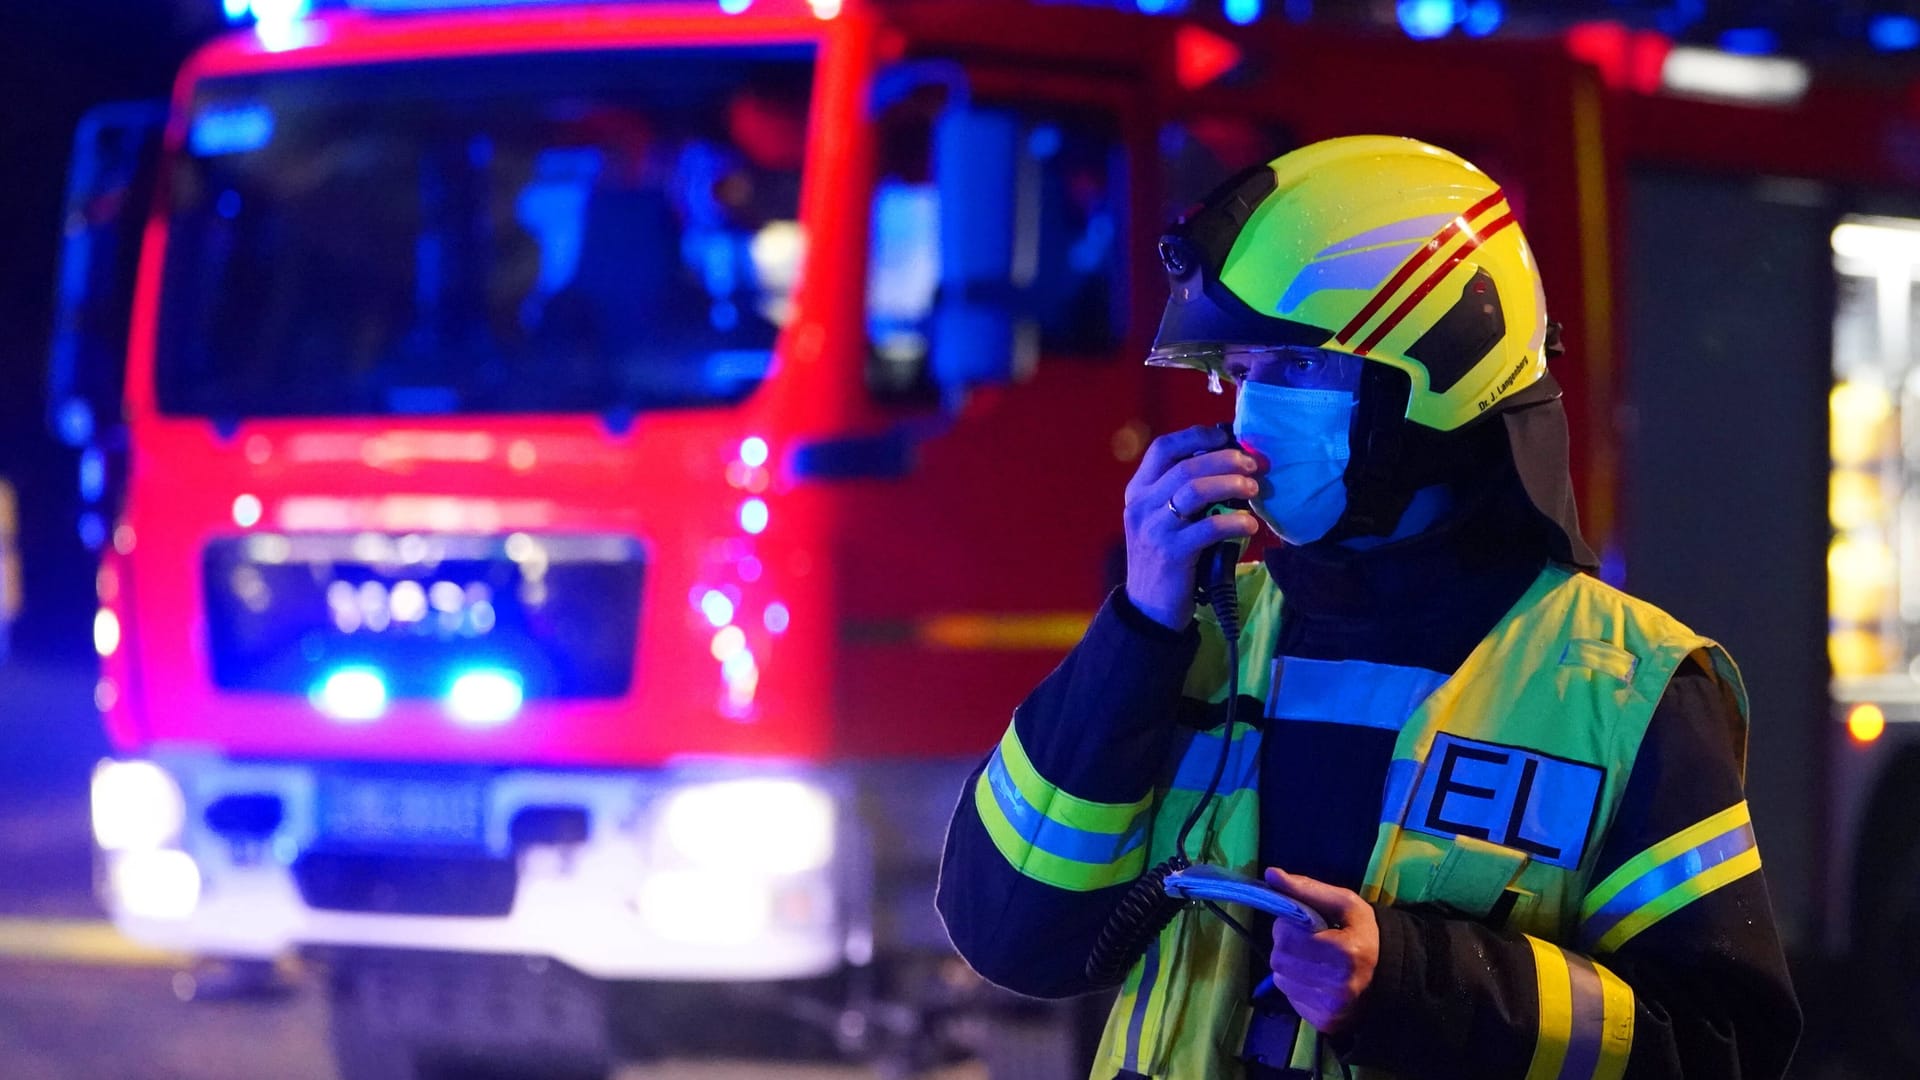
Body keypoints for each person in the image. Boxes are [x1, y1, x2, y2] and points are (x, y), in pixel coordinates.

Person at [936, 136, 1801, 1080]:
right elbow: (1007, 934)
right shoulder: (1206, 637)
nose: (1253, 407)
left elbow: (1719, 1047)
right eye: (1245, 368)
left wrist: (1416, 981)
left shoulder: (1629, 690)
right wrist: (1140, 626)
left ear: (1435, 378)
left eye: (1300, 369)